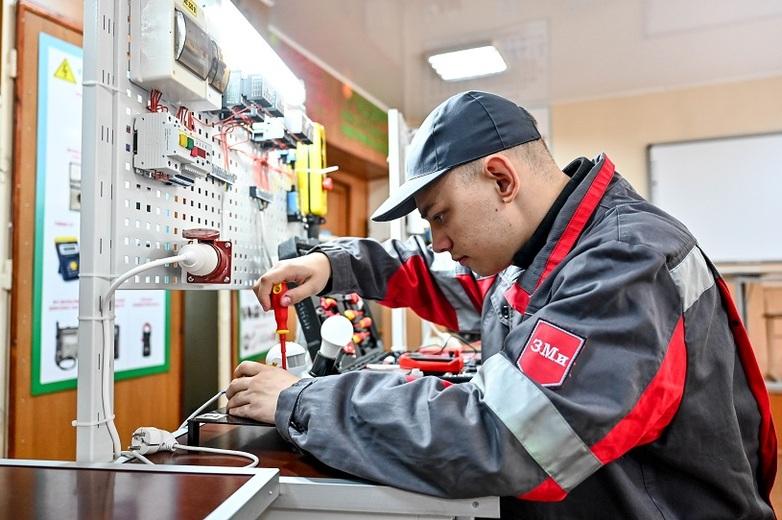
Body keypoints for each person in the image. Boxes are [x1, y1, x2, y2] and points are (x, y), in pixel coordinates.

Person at [226, 90, 776, 518]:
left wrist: (301, 400)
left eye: (440, 216)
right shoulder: (539, 250)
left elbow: (502, 437)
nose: (440, 240)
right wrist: (333, 265)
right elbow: (429, 269)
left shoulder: (625, 263)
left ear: (500, 178)